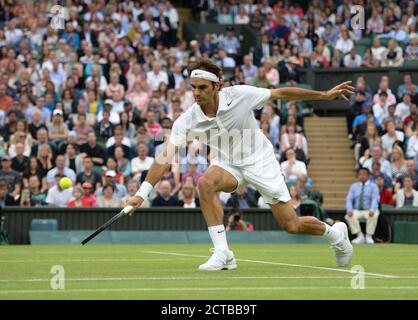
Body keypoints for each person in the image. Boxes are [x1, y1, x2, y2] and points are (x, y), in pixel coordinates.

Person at [125, 58, 354, 270]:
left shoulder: (240, 94)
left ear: (217, 86)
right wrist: (141, 194)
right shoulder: (187, 120)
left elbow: (281, 93)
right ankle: (223, 252)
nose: (196, 93)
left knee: (291, 225)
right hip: (228, 163)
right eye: (193, 87)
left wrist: (324, 95)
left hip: (260, 161)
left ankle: (335, 235)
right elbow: (165, 157)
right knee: (205, 183)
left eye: (202, 87)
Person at [345, 168, 380, 244]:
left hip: (368, 210)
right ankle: (360, 235)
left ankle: (369, 236)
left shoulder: (374, 186)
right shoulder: (353, 186)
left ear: (368, 176)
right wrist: (349, 209)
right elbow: (349, 199)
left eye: (364, 174)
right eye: (360, 174)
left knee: (375, 214)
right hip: (357, 210)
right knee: (348, 216)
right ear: (358, 176)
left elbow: (375, 199)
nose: (362, 176)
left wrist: (372, 209)